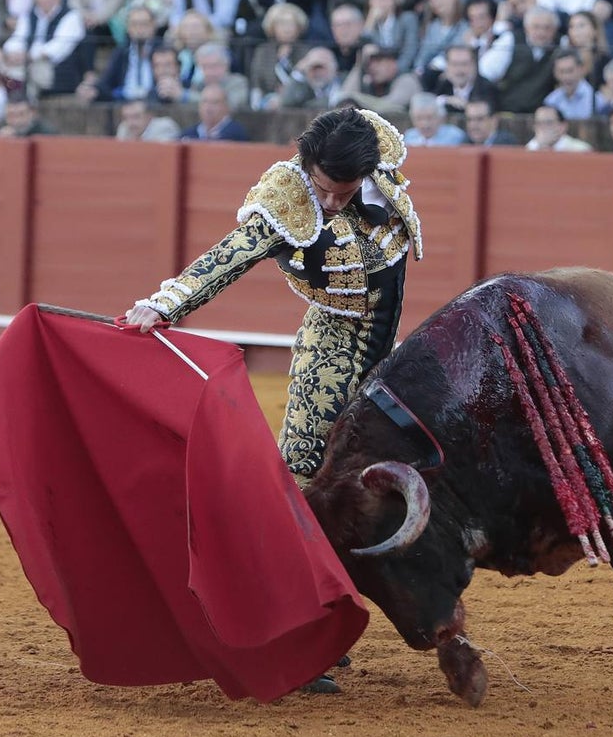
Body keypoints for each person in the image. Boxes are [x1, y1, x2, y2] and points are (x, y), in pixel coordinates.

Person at [125, 105, 423, 542]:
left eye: (343, 192)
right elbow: (232, 254)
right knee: (303, 464)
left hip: (385, 344)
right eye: (323, 188)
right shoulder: (287, 197)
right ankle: (263, 558)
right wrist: (166, 304)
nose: (330, 202)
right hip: (332, 343)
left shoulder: (375, 159)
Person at [2, 0, 86, 97]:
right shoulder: (29, 14)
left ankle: (22, 105)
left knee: (24, 73)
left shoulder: (71, 16)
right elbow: (17, 38)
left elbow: (58, 49)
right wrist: (15, 53)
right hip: (26, 63)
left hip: (57, 70)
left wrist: (28, 56)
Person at [499, 5, 561, 113]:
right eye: (536, 27)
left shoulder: (562, 44)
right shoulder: (510, 41)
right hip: (508, 113)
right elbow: (486, 72)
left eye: (547, 28)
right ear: (526, 28)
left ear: (555, 30)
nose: (542, 33)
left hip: (544, 116)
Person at [248, 3, 311, 109]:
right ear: (272, 27)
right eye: (282, 24)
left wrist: (287, 92)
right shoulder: (263, 51)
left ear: (299, 28)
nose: (287, 29)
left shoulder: (306, 52)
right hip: (267, 102)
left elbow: (308, 83)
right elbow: (257, 82)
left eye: (291, 24)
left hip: (299, 103)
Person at [339, 44, 422, 115]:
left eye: (378, 61)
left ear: (392, 63)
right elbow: (344, 96)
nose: (372, 67)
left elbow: (388, 107)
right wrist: (359, 65)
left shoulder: (407, 80)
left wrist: (356, 98)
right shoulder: (372, 84)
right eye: (368, 64)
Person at [363, 0, 420, 74]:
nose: (379, 2)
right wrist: (370, 21)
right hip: (376, 74)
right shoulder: (369, 25)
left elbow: (410, 51)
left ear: (394, 0)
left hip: (401, 71)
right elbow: (362, 47)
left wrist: (393, 71)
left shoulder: (407, 19)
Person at [430, 43, 500, 113]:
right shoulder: (444, 85)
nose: (459, 70)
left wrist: (465, 105)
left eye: (464, 64)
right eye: (454, 64)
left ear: (474, 65)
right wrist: (446, 100)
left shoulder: (487, 88)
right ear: (447, 66)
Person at [542, 47, 597, 120]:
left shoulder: (595, 99)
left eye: (570, 71)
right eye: (562, 71)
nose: (566, 77)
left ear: (581, 69)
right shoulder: (551, 101)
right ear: (555, 73)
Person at [180, 83, 248, 140]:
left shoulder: (236, 133)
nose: (208, 108)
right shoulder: (189, 134)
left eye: (214, 102)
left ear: (226, 107)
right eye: (205, 102)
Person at [402, 90, 467, 146]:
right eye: (419, 119)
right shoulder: (409, 137)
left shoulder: (455, 136)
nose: (425, 124)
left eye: (429, 118)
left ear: (441, 118)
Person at [525, 104, 593, 151]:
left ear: (562, 126)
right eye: (539, 123)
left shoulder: (579, 149)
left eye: (548, 123)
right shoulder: (530, 148)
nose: (543, 128)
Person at [115, 97, 181, 140]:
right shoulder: (124, 127)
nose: (130, 123)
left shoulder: (165, 126)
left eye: (136, 117)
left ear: (149, 116)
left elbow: (161, 155)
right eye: (126, 118)